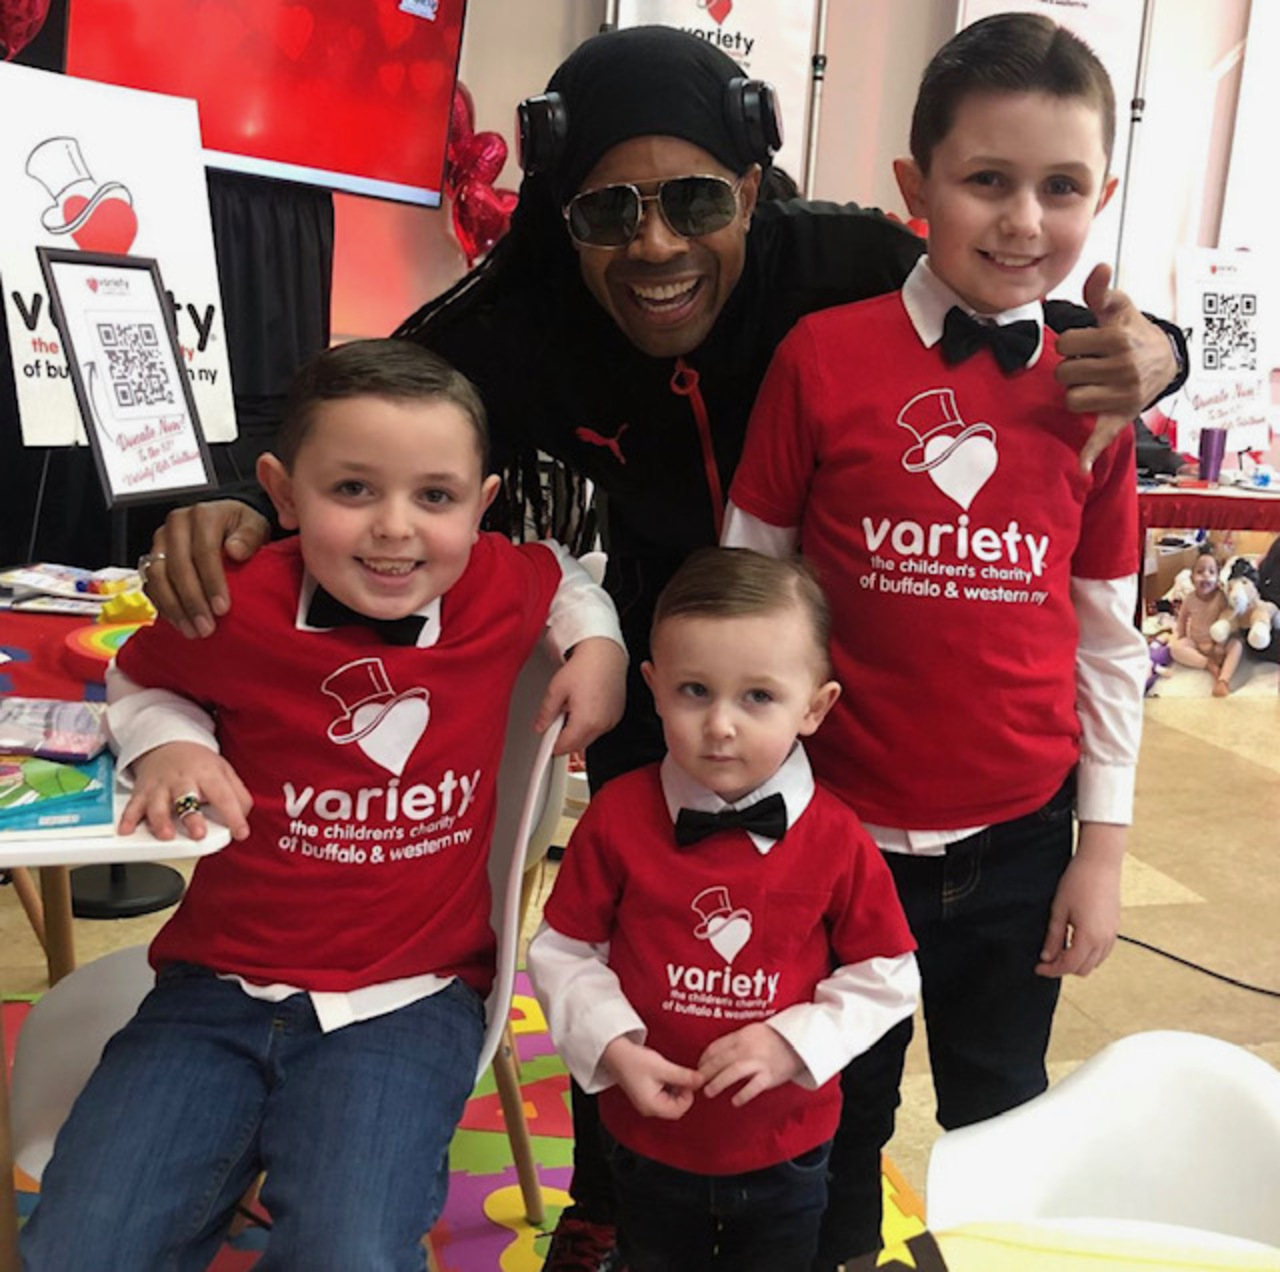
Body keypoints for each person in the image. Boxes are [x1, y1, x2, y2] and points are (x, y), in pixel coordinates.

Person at [136, 25, 1188, 1270]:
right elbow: (350, 409)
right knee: (646, 948)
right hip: (653, 654)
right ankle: (612, 1199)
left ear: (749, 188)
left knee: (868, 1038)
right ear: (561, 218)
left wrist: (1164, 352)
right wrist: (235, 501)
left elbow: (1013, 294)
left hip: (828, 688)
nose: (655, 247)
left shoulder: (843, 260)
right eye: (607, 213)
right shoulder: (517, 312)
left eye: (694, 202)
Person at [20, 339, 627, 1271]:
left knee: (350, 1252)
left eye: (435, 496)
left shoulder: (498, 587)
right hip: (215, 985)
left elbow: (565, 572)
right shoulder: (237, 601)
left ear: (481, 506)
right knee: (81, 1247)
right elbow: (143, 677)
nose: (395, 528)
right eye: (353, 490)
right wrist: (172, 742)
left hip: (411, 996)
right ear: (282, 492)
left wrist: (601, 645)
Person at [725, 9, 1150, 1258]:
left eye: (1060, 187)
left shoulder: (1097, 388)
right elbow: (751, 589)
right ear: (916, 189)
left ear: (1099, 198)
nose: (1022, 220)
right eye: (986, 181)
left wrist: (1101, 850)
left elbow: (1107, 639)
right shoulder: (819, 359)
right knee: (834, 1114)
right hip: (835, 831)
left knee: (999, 1112)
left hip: (1020, 838)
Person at [527, 547, 919, 1271]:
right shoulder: (616, 818)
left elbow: (888, 974)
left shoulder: (836, 837)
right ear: (653, 688)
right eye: (695, 691)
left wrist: (792, 1044)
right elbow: (563, 950)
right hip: (646, 1140)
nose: (721, 725)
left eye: (758, 697)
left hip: (788, 1147)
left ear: (815, 707)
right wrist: (613, 1045)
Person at [1169, 547, 1242, 695]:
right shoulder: (1189, 599)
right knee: (1175, 648)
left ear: (1218, 578)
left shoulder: (1220, 598)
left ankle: (1223, 680)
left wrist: (1220, 645)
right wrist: (1181, 636)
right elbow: (1182, 619)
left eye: (1211, 572)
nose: (1206, 576)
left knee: (1237, 645)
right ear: (1191, 579)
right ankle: (1208, 664)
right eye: (1200, 572)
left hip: (1218, 646)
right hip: (1197, 644)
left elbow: (1226, 620)